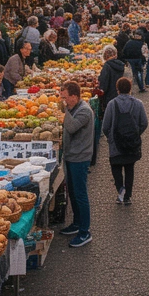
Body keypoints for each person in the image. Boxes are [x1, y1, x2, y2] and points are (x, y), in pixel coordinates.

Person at [57, 81, 95, 248]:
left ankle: (85, 231)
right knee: (72, 192)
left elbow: (71, 127)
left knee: (80, 194)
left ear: (74, 96)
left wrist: (63, 110)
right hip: (71, 156)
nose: (64, 101)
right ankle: (77, 223)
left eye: (65, 98)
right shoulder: (73, 107)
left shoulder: (84, 111)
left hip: (80, 157)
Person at [103, 77, 148, 204]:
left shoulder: (112, 104)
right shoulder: (138, 104)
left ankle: (120, 190)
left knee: (115, 166)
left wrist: (110, 137)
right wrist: (136, 133)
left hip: (115, 144)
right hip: (132, 143)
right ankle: (127, 196)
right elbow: (144, 123)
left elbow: (105, 126)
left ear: (117, 89)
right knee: (129, 168)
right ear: (130, 89)